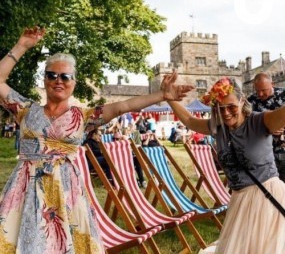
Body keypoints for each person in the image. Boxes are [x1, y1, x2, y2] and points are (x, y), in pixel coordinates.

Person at [0, 26, 192, 253]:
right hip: (25, 186)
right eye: (51, 75)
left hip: (65, 190)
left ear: (74, 82)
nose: (58, 80)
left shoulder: (84, 117)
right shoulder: (25, 109)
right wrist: (21, 46)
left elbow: (124, 106)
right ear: (44, 79)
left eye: (65, 76)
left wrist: (162, 95)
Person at [163, 75, 285, 254]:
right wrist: (169, 98)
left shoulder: (260, 121)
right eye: (220, 108)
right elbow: (189, 121)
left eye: (231, 107)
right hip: (239, 200)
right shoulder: (218, 127)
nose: (226, 113)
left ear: (242, 101)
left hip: (266, 198)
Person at [248, 72, 285, 182]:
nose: (260, 94)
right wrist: (268, 128)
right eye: (257, 90)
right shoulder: (250, 101)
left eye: (263, 90)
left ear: (272, 84)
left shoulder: (283, 95)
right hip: (262, 152)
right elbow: (247, 125)